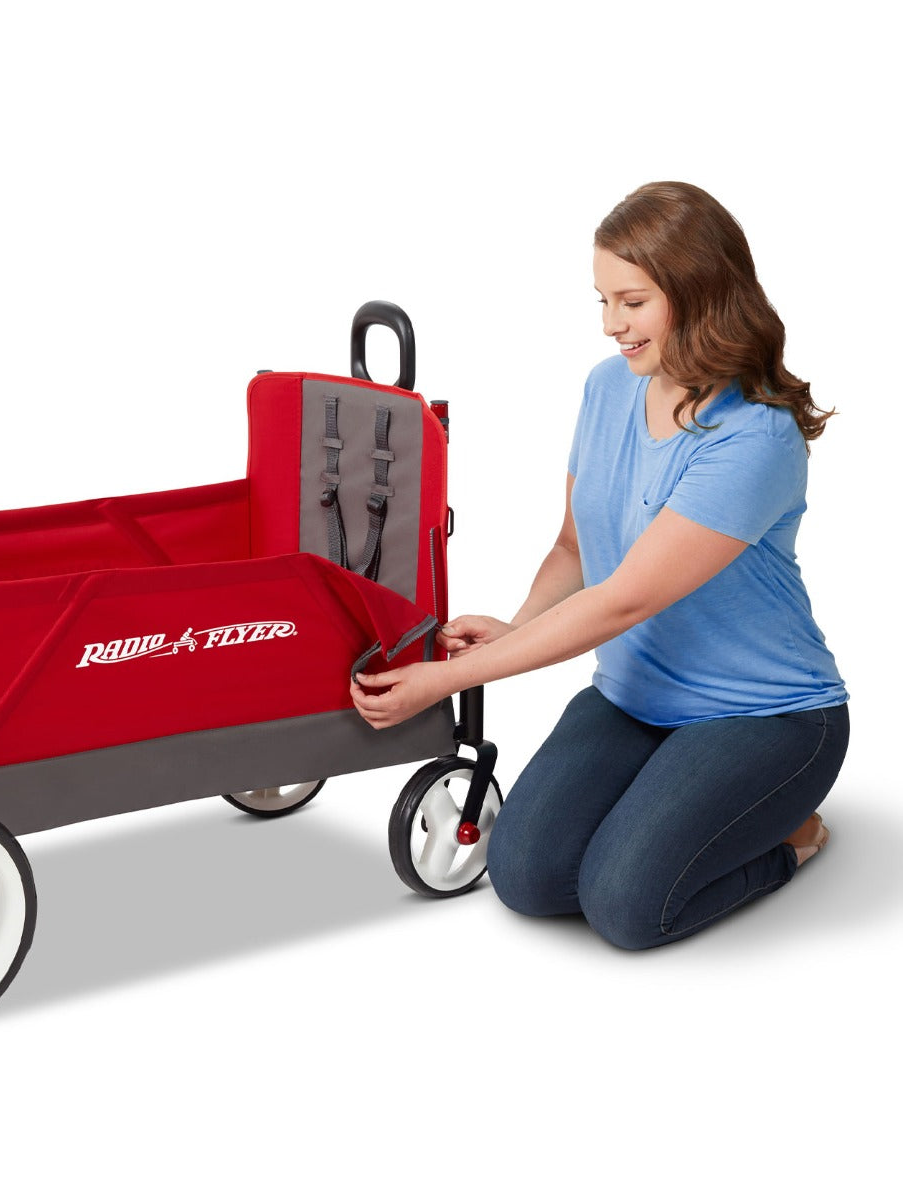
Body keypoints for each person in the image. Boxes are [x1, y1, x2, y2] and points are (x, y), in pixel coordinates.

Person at [351, 181, 849, 950]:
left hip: (762, 715)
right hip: (634, 695)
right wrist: (518, 627)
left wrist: (450, 679)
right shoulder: (609, 387)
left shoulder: (755, 436)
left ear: (699, 293)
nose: (612, 324)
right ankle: (673, 805)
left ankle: (792, 838)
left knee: (625, 907)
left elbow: (624, 600)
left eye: (632, 302)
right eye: (603, 301)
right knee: (526, 876)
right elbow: (575, 550)